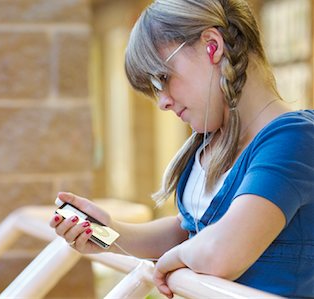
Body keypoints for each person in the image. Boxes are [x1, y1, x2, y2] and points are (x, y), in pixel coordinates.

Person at [50, 0, 314, 298]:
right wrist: (105, 233)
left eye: (161, 79)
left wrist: (167, 265)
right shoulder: (211, 139)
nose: (162, 102)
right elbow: (187, 232)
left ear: (212, 46)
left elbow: (220, 253)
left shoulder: (295, 139)